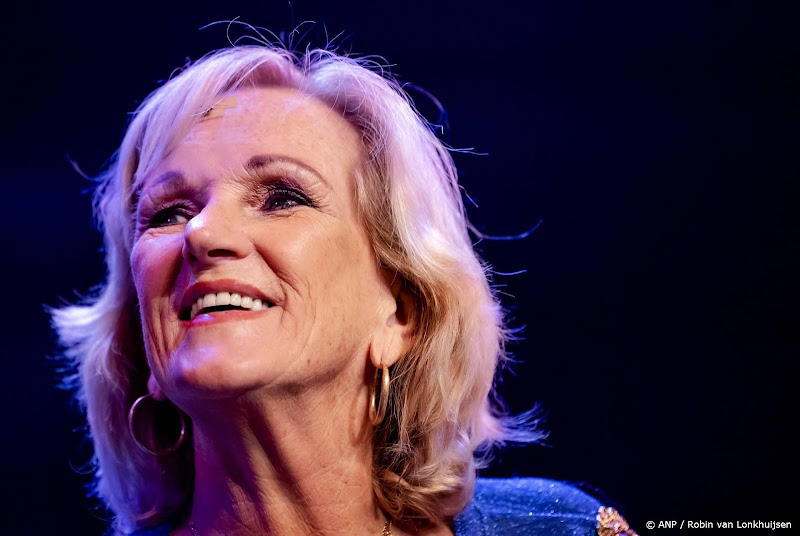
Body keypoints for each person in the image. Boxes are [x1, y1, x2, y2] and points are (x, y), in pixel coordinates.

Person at [51, 41, 636, 536]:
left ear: (400, 312)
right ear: (140, 331)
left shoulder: (562, 527)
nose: (202, 233)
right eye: (169, 212)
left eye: (281, 197)